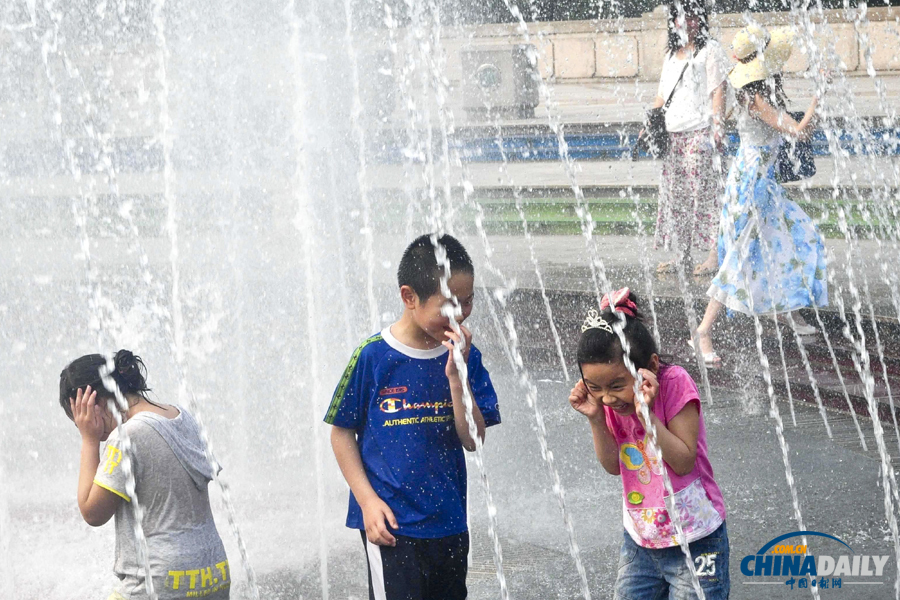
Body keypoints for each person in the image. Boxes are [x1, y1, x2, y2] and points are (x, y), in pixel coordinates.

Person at [324, 233, 501, 600]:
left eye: (467, 302)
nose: (460, 314)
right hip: (391, 524)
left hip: (449, 522)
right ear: (409, 297)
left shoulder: (466, 357)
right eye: (448, 305)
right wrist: (367, 501)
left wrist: (458, 378)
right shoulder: (373, 357)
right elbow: (341, 433)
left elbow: (473, 439)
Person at [568, 288, 729, 599]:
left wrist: (645, 416)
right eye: (594, 387)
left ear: (651, 366)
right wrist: (596, 418)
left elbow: (683, 460)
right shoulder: (608, 404)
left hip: (696, 540)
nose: (607, 397)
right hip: (641, 540)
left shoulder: (674, 384)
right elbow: (614, 465)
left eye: (616, 385)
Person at [694, 24, 827, 365]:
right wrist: (818, 96)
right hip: (751, 186)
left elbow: (801, 130)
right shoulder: (753, 99)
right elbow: (796, 129)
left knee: (795, 237)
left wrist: (815, 109)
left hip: (762, 183)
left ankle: (788, 310)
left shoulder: (760, 93)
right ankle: (704, 330)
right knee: (741, 257)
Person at [60, 350, 230, 600]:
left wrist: (89, 439)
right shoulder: (182, 417)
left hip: (159, 581)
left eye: (79, 418)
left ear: (91, 401)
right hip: (214, 572)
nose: (82, 425)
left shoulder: (126, 436)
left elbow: (92, 512)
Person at [652, 0, 731, 276]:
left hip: (700, 133)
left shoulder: (711, 50)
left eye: (695, 17)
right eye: (684, 18)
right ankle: (682, 255)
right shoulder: (672, 56)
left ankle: (714, 255)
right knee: (678, 199)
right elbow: (662, 95)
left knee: (707, 197)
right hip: (673, 136)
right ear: (674, 22)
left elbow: (718, 90)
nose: (690, 22)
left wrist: (718, 127)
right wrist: (650, 121)